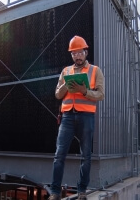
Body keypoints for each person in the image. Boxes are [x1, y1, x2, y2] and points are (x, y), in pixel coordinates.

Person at [48, 36, 105, 200]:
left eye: (80, 53)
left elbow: (101, 94)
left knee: (86, 155)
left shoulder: (95, 70)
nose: (77, 56)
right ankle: (55, 192)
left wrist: (84, 91)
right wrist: (67, 84)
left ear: (85, 52)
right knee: (59, 154)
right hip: (67, 117)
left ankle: (81, 191)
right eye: (74, 53)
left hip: (86, 116)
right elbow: (58, 94)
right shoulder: (66, 71)